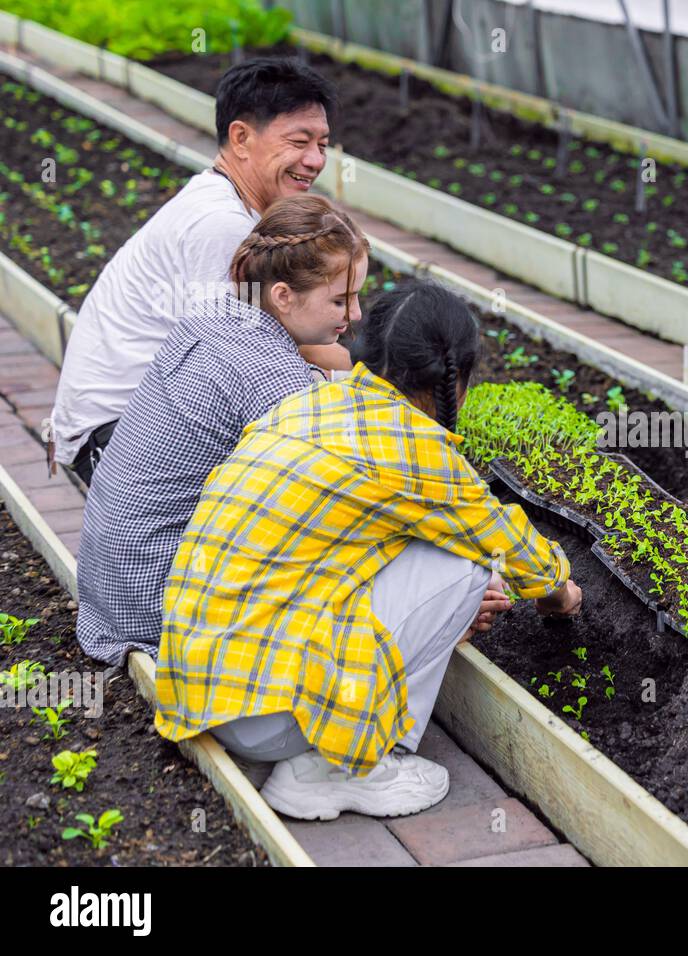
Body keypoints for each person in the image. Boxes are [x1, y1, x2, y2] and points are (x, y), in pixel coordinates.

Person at [154, 281, 583, 820]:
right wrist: (561, 595)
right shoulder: (415, 448)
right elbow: (516, 552)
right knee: (470, 564)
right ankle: (345, 767)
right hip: (270, 719)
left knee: (441, 556)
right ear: (456, 378)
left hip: (203, 684)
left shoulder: (314, 403)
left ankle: (335, 743)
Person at [75, 194, 370, 666]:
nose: (355, 315)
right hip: (159, 608)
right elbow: (338, 506)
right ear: (283, 296)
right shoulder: (274, 378)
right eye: (341, 299)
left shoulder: (214, 316)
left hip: (107, 590)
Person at [51, 57, 346, 485]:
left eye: (322, 144)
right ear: (240, 137)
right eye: (299, 141)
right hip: (113, 440)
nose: (315, 160)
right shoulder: (220, 223)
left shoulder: (229, 205)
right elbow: (246, 358)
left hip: (135, 422)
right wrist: (367, 373)